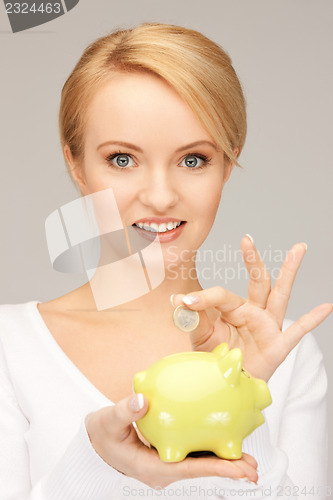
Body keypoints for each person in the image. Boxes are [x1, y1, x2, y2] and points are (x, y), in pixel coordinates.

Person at [0, 22, 331, 499]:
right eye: (122, 159)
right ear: (76, 164)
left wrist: (235, 403)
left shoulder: (284, 355)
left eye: (193, 159)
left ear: (228, 163)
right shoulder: (12, 351)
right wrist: (96, 458)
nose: (160, 196)